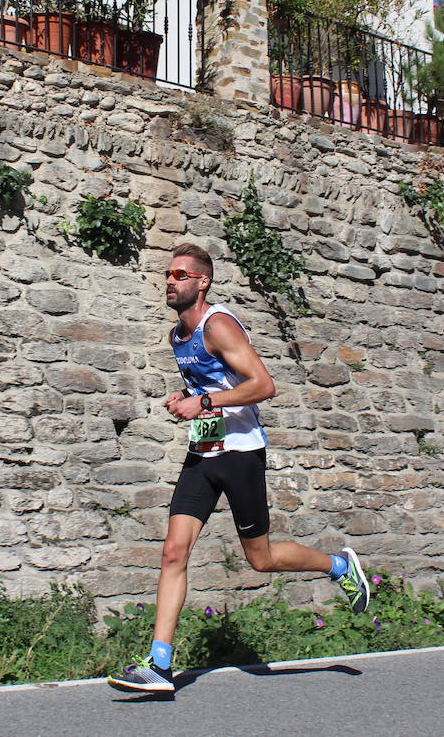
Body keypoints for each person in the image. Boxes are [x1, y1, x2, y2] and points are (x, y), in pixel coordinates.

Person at [108, 242, 370, 695]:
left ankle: (338, 566)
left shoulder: (220, 325)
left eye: (180, 275)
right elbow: (206, 385)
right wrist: (183, 400)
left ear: (203, 281)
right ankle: (160, 664)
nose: (170, 281)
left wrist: (203, 402)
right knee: (173, 552)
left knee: (260, 558)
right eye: (168, 275)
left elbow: (263, 384)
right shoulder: (177, 336)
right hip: (202, 455)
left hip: (241, 454)